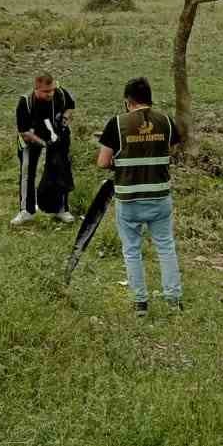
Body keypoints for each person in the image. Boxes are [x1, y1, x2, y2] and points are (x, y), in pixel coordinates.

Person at [97, 77, 183, 317]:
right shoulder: (165, 121)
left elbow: (103, 162)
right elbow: (173, 152)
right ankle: (173, 300)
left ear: (128, 102)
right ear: (149, 99)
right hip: (159, 197)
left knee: (132, 250)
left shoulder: (116, 124)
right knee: (166, 247)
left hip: (129, 199)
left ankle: (140, 303)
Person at [12, 74, 77, 225]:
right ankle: (26, 211)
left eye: (52, 90)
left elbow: (70, 107)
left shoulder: (60, 93)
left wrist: (65, 119)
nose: (50, 94)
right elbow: (24, 132)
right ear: (36, 89)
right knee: (28, 170)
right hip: (31, 138)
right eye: (46, 92)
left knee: (60, 169)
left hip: (55, 136)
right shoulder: (25, 102)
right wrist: (43, 143)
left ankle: (61, 209)